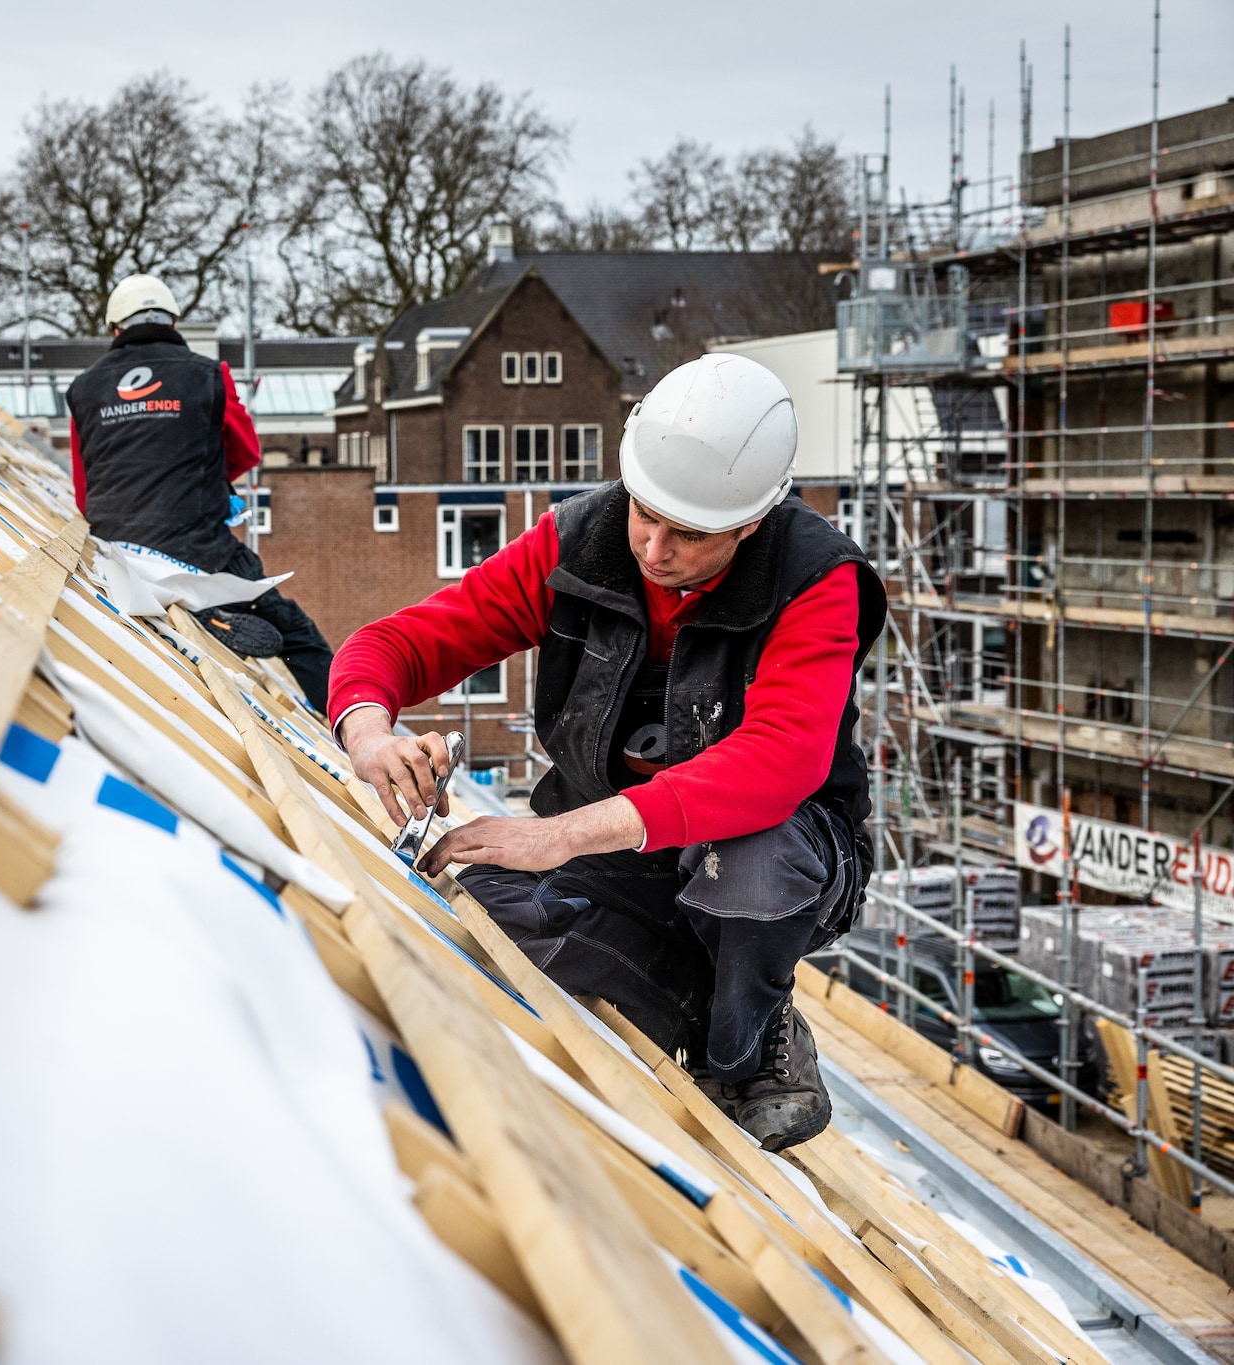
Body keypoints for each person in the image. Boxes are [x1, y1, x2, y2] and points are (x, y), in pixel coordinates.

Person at [328, 353, 886, 1151]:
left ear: (752, 522)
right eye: (644, 513)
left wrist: (558, 833)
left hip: (781, 851)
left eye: (689, 534)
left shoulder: (814, 580)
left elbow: (778, 762)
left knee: (751, 866)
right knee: (486, 906)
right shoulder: (581, 541)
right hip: (620, 846)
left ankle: (746, 1052)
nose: (655, 549)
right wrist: (367, 727)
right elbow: (402, 641)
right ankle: (694, 1006)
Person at [66, 273, 335, 711]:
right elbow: (246, 452)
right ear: (173, 322)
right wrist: (200, 474)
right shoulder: (209, 375)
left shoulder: (82, 390)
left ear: (115, 329)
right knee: (296, 634)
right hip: (198, 549)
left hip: (115, 556)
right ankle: (348, 726)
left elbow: (84, 493)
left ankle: (199, 609)